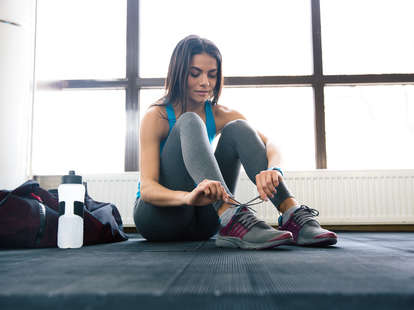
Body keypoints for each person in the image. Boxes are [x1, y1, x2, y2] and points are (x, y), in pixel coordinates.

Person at [134, 34, 337, 250]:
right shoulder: (157, 116)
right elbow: (147, 189)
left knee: (239, 127)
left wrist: (273, 169)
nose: (205, 82)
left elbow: (272, 144)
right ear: (179, 73)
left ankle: (290, 213)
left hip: (204, 222)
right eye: (195, 74)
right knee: (189, 121)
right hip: (158, 219)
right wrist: (188, 197)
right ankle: (231, 214)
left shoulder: (222, 114)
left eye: (212, 75)